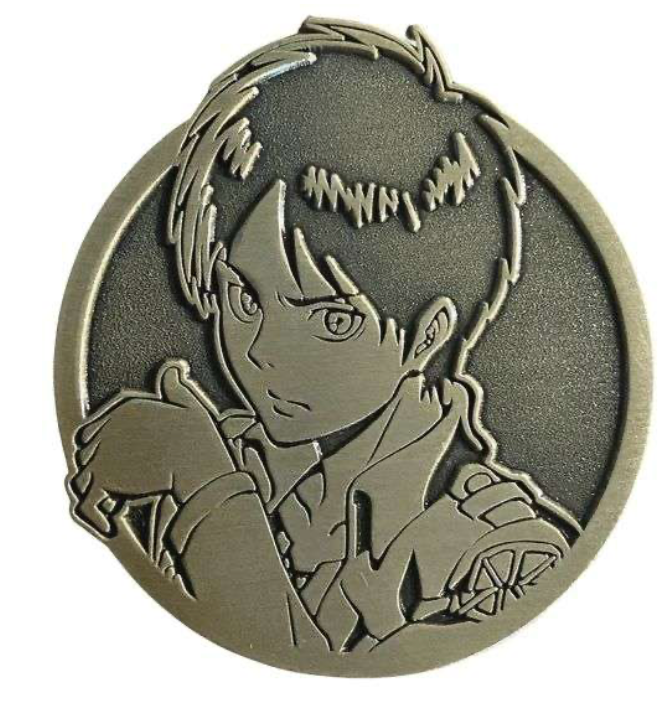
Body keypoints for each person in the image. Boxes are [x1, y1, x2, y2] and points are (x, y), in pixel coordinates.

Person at [68, 23, 580, 653]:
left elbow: (331, 677)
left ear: (428, 335)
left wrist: (206, 488)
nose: (262, 353)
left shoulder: (502, 550)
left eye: (333, 321)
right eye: (244, 298)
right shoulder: (238, 450)